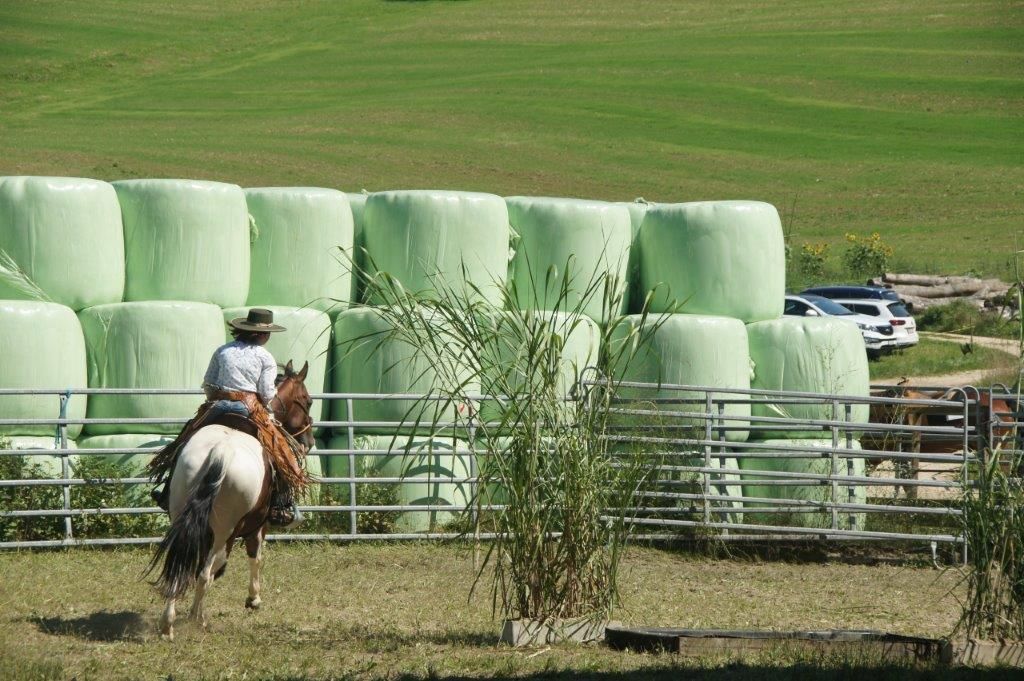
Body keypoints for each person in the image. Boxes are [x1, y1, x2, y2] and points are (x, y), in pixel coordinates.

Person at [149, 308, 308, 526]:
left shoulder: (222, 351)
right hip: (248, 408)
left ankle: (168, 490)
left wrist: (214, 400)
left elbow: (208, 383)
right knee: (280, 450)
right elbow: (268, 393)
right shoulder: (265, 357)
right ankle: (281, 503)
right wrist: (266, 408)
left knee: (185, 439)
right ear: (262, 335)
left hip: (218, 405)